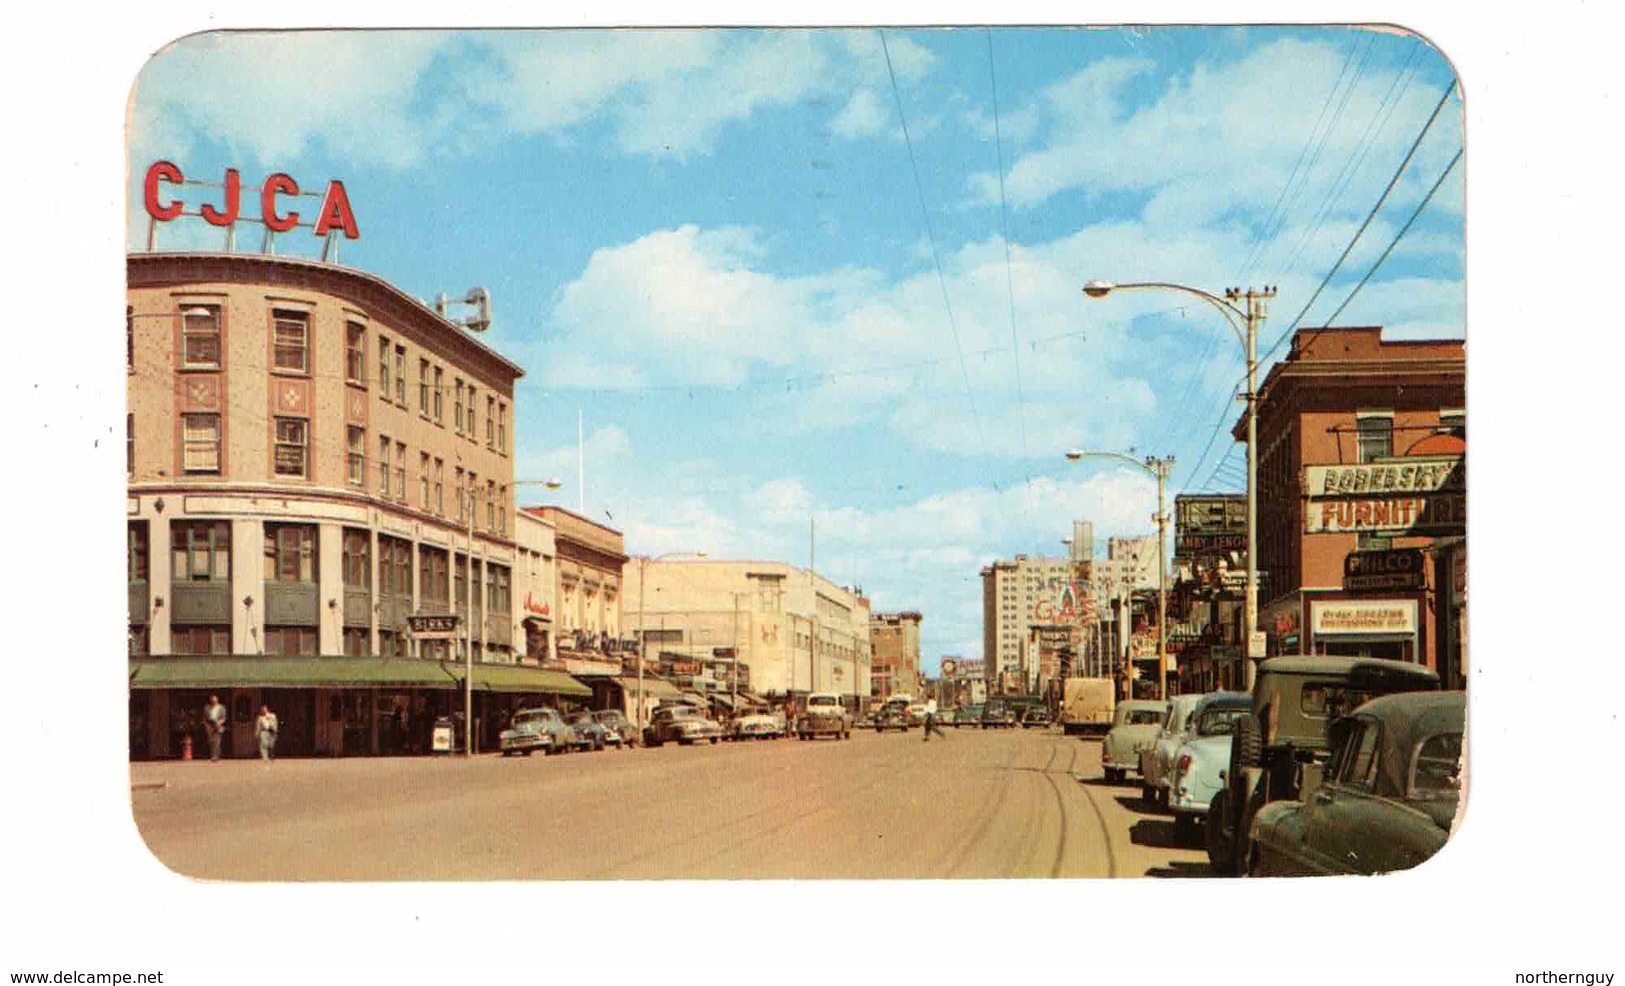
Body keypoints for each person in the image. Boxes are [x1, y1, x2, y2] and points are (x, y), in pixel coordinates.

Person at [204, 695, 227, 761]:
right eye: (212, 700)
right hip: (209, 724)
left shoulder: (221, 708)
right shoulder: (207, 707)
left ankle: (215, 756)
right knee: (211, 741)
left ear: (217, 699)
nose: (213, 701)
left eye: (215, 700)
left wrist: (220, 722)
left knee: (217, 740)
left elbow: (224, 717)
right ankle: (214, 755)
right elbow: (205, 718)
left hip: (218, 723)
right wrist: (206, 725)